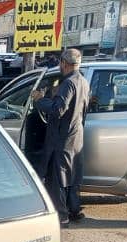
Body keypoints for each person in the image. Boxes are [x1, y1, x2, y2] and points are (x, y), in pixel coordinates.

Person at [30, 48, 90, 226]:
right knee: (71, 177)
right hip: (76, 136)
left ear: (63, 63)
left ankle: (62, 217)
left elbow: (58, 109)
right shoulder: (83, 81)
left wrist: (40, 99)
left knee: (57, 179)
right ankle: (74, 210)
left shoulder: (68, 83)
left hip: (62, 138)